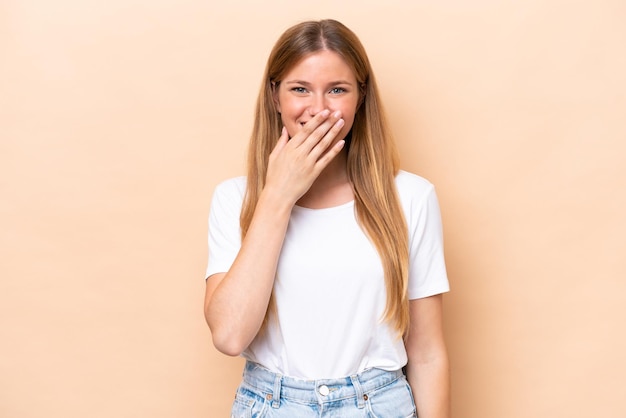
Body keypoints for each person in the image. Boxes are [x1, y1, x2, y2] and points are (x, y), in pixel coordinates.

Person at [204, 19, 450, 417]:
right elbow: (230, 335)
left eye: (337, 90)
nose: (318, 109)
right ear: (275, 97)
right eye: (300, 89)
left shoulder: (411, 198)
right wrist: (278, 195)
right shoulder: (235, 199)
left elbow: (427, 355)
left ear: (361, 97)